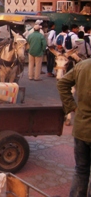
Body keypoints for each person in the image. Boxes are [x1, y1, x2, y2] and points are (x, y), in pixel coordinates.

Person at [57, 58, 91, 196]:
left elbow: (62, 84)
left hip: (82, 129)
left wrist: (73, 107)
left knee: (81, 170)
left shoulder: (83, 65)